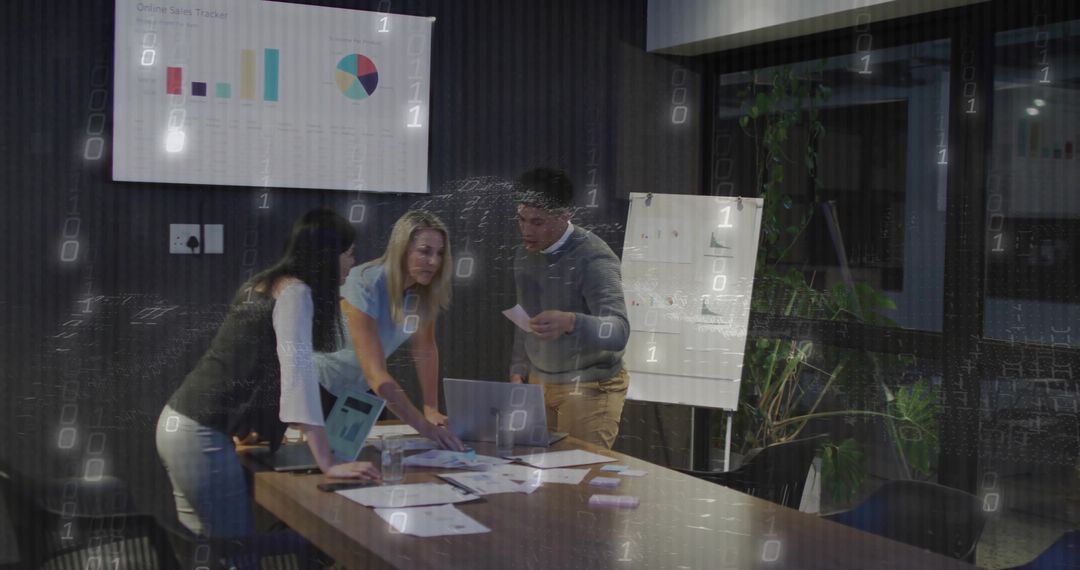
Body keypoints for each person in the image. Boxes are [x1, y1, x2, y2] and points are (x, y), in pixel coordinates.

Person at [156, 209, 380, 539]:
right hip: (200, 433)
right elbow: (297, 377)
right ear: (325, 255)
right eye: (348, 254)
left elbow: (248, 363)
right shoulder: (295, 293)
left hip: (179, 424)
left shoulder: (264, 283)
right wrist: (328, 462)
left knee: (206, 545)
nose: (351, 263)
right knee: (235, 550)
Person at [315, 211, 465, 451]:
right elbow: (376, 374)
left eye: (439, 253)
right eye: (425, 251)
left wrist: (431, 408)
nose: (434, 262)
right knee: (319, 468)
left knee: (360, 465)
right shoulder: (362, 282)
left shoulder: (423, 293)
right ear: (402, 248)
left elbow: (425, 349)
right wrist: (425, 428)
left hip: (360, 391)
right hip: (320, 386)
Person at [509, 168, 631, 449]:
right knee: (538, 482)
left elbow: (619, 331)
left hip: (589, 387)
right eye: (521, 219)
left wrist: (572, 321)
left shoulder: (594, 259)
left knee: (579, 483)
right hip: (540, 382)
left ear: (565, 216)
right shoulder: (525, 254)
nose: (526, 230)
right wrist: (518, 369)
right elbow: (524, 318)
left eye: (537, 222)